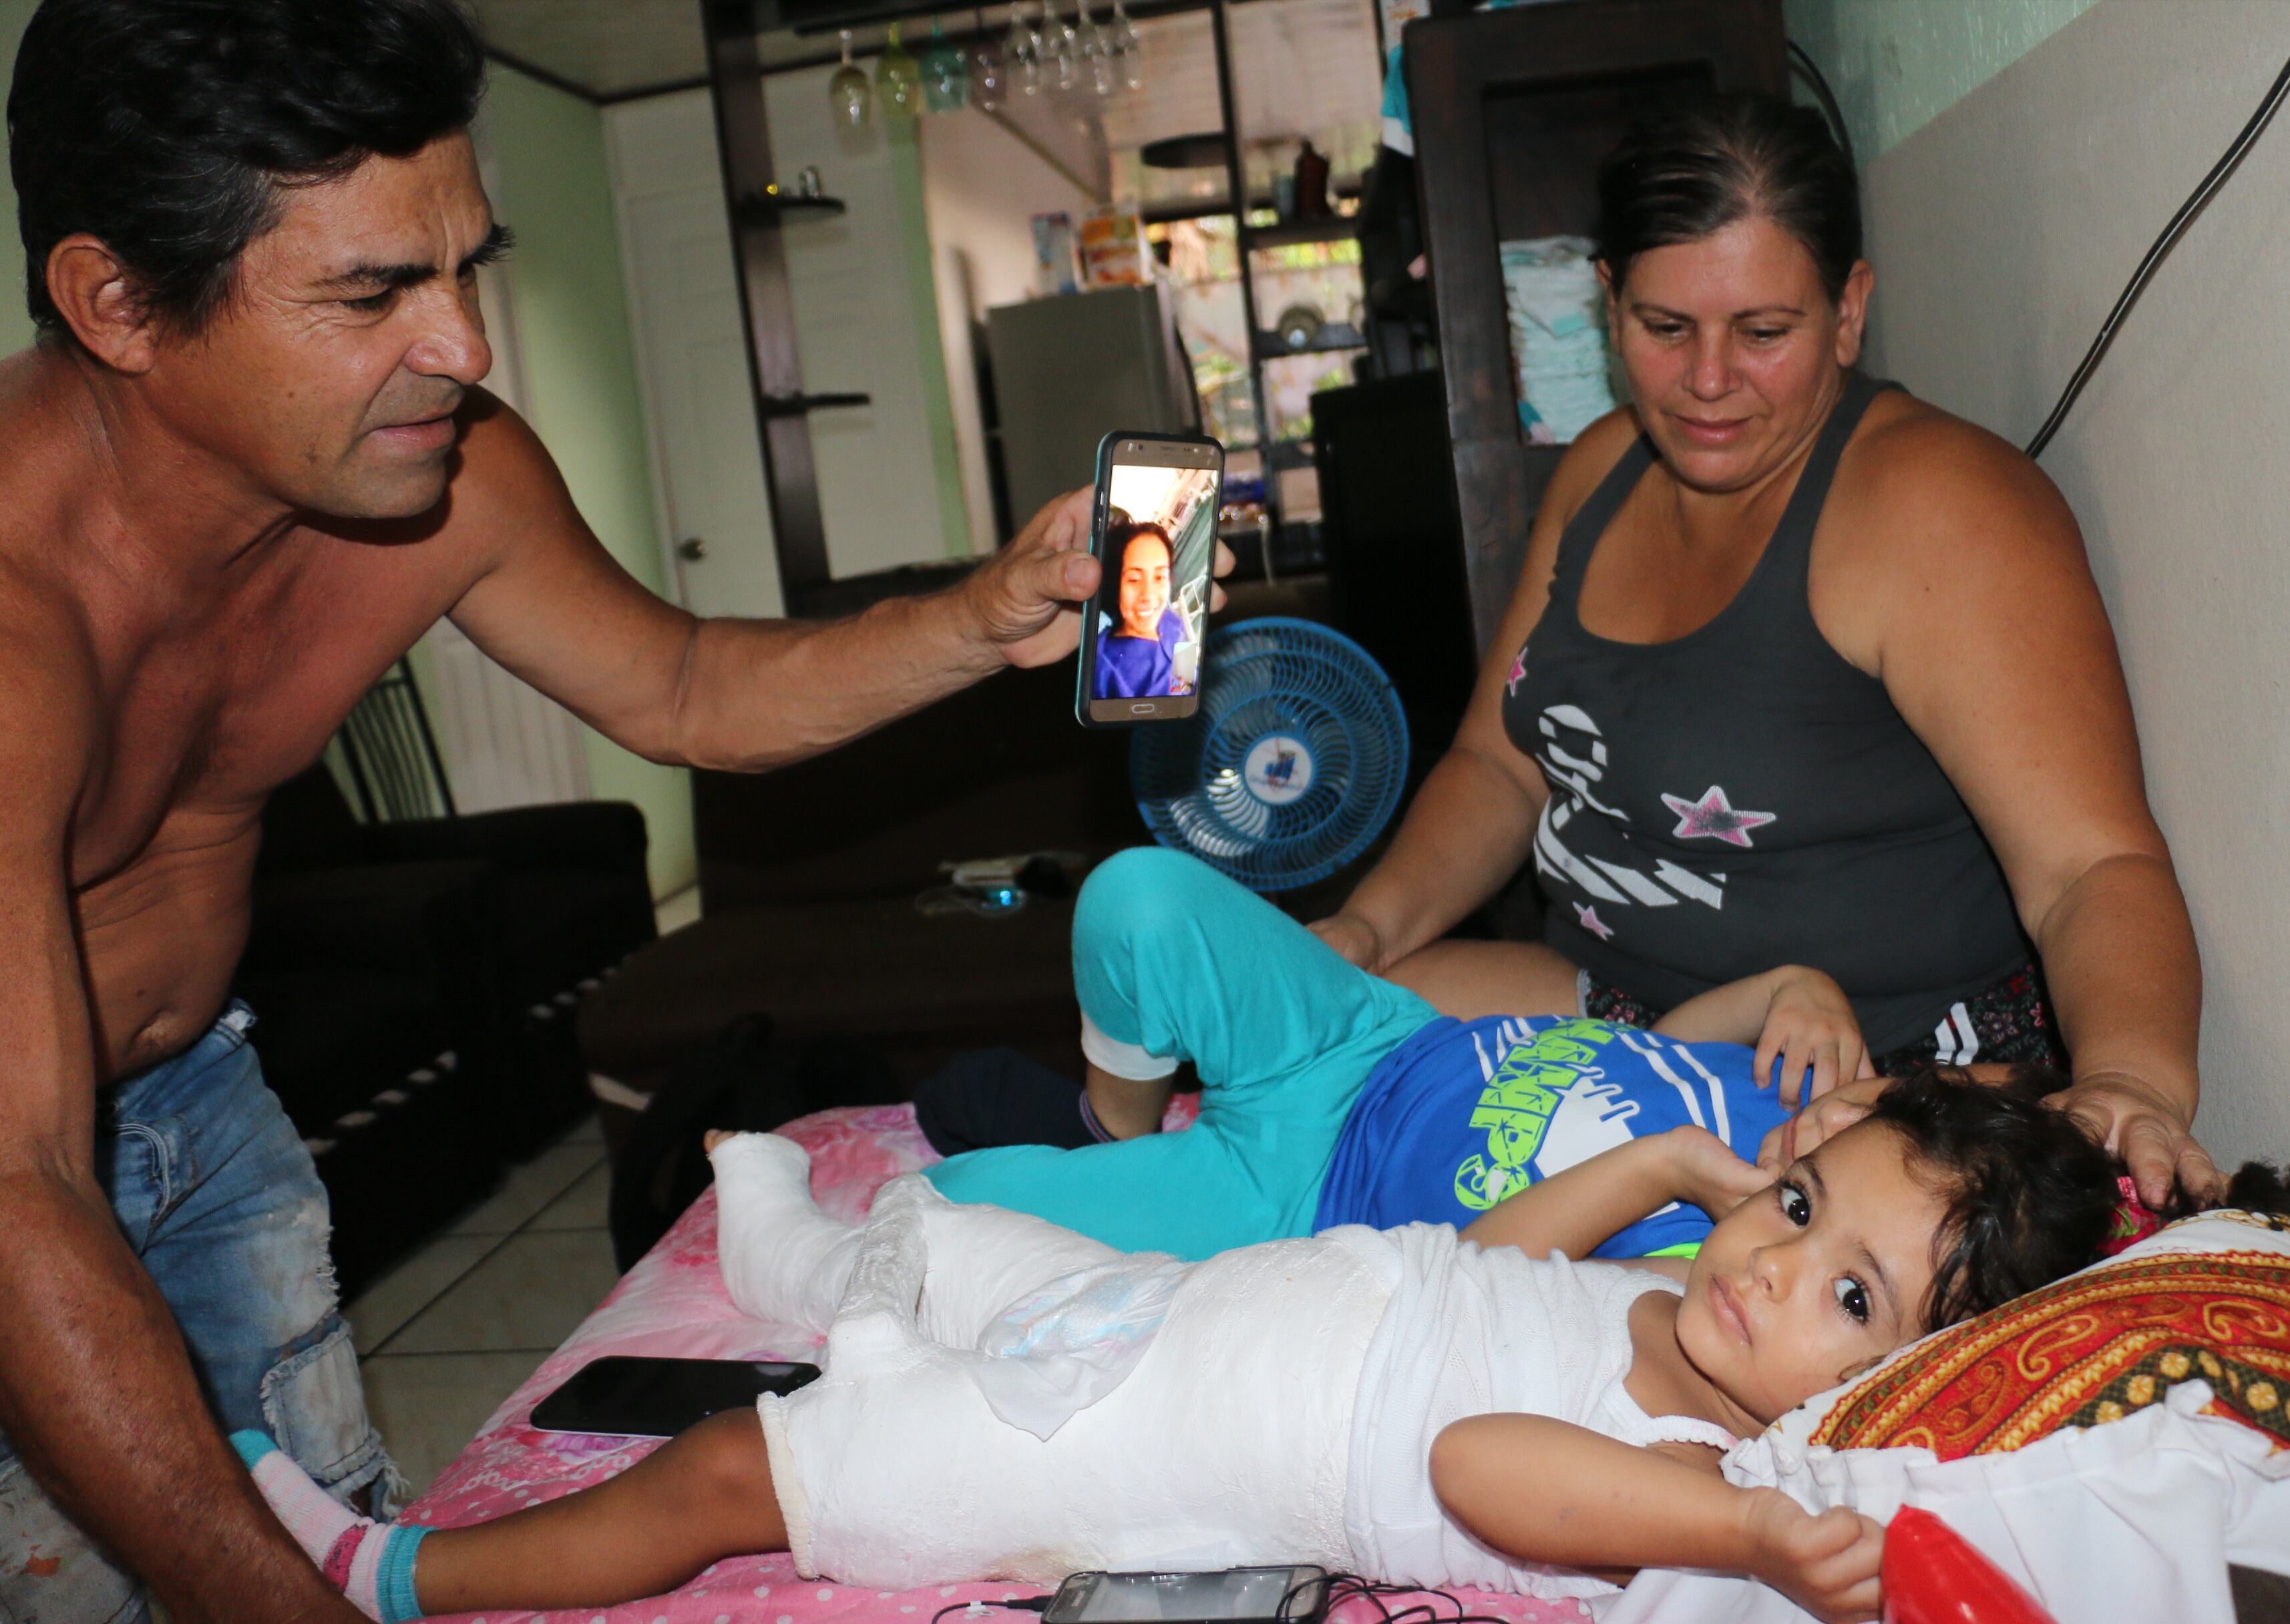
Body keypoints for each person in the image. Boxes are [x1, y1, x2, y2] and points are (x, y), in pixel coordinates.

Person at [0, 3, 1222, 1619]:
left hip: (204, 1098)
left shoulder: (435, 477)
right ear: (115, 303)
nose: (463, 346)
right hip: (23, 1172)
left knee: (329, 1529)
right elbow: (23, 1183)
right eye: (372, 292)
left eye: (464, 267)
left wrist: (977, 616)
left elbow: (687, 689)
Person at [227, 1070, 2132, 1624]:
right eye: (1802, 1211)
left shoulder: (1702, 1483)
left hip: (1100, 1456)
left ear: (1882, 1387)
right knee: (943, 1236)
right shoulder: (1652, 1296)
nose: (1777, 1273)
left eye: (1853, 1301)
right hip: (1148, 1316)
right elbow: (1466, 1261)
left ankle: (412, 1575)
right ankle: (797, 1247)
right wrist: (1645, 1160)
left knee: (746, 1475)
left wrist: (1728, 1535)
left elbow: (1472, 1464)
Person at [1302, 93, 2222, 1213]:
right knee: (1310, 1062)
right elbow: (1500, 766)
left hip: (1862, 1072)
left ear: (1846, 311)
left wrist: (2126, 1079)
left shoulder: (1941, 508)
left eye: (1762, 332)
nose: (1705, 383)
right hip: (1620, 1005)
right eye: (1664, 327)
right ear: (1605, 305)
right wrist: (1359, 929)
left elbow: (2090, 868)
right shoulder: (1597, 473)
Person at [926, 847, 1899, 1261]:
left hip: (1304, 1202)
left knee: (948, 1216)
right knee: (1138, 896)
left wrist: (1664, 1170)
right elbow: (1660, 1048)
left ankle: (1122, 1164)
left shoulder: (1732, 1253)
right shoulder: (1805, 1098)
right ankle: (1109, 1129)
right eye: (1897, 1098)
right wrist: (1792, 985)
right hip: (1373, 1037)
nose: (1850, 1113)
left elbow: (1484, 1279)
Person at [1091, 520, 1189, 698]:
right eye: (1134, 579)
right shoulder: (1101, 668)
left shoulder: (1172, 623)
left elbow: (1187, 686)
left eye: (1160, 577)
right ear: (1114, 585)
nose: (1148, 594)